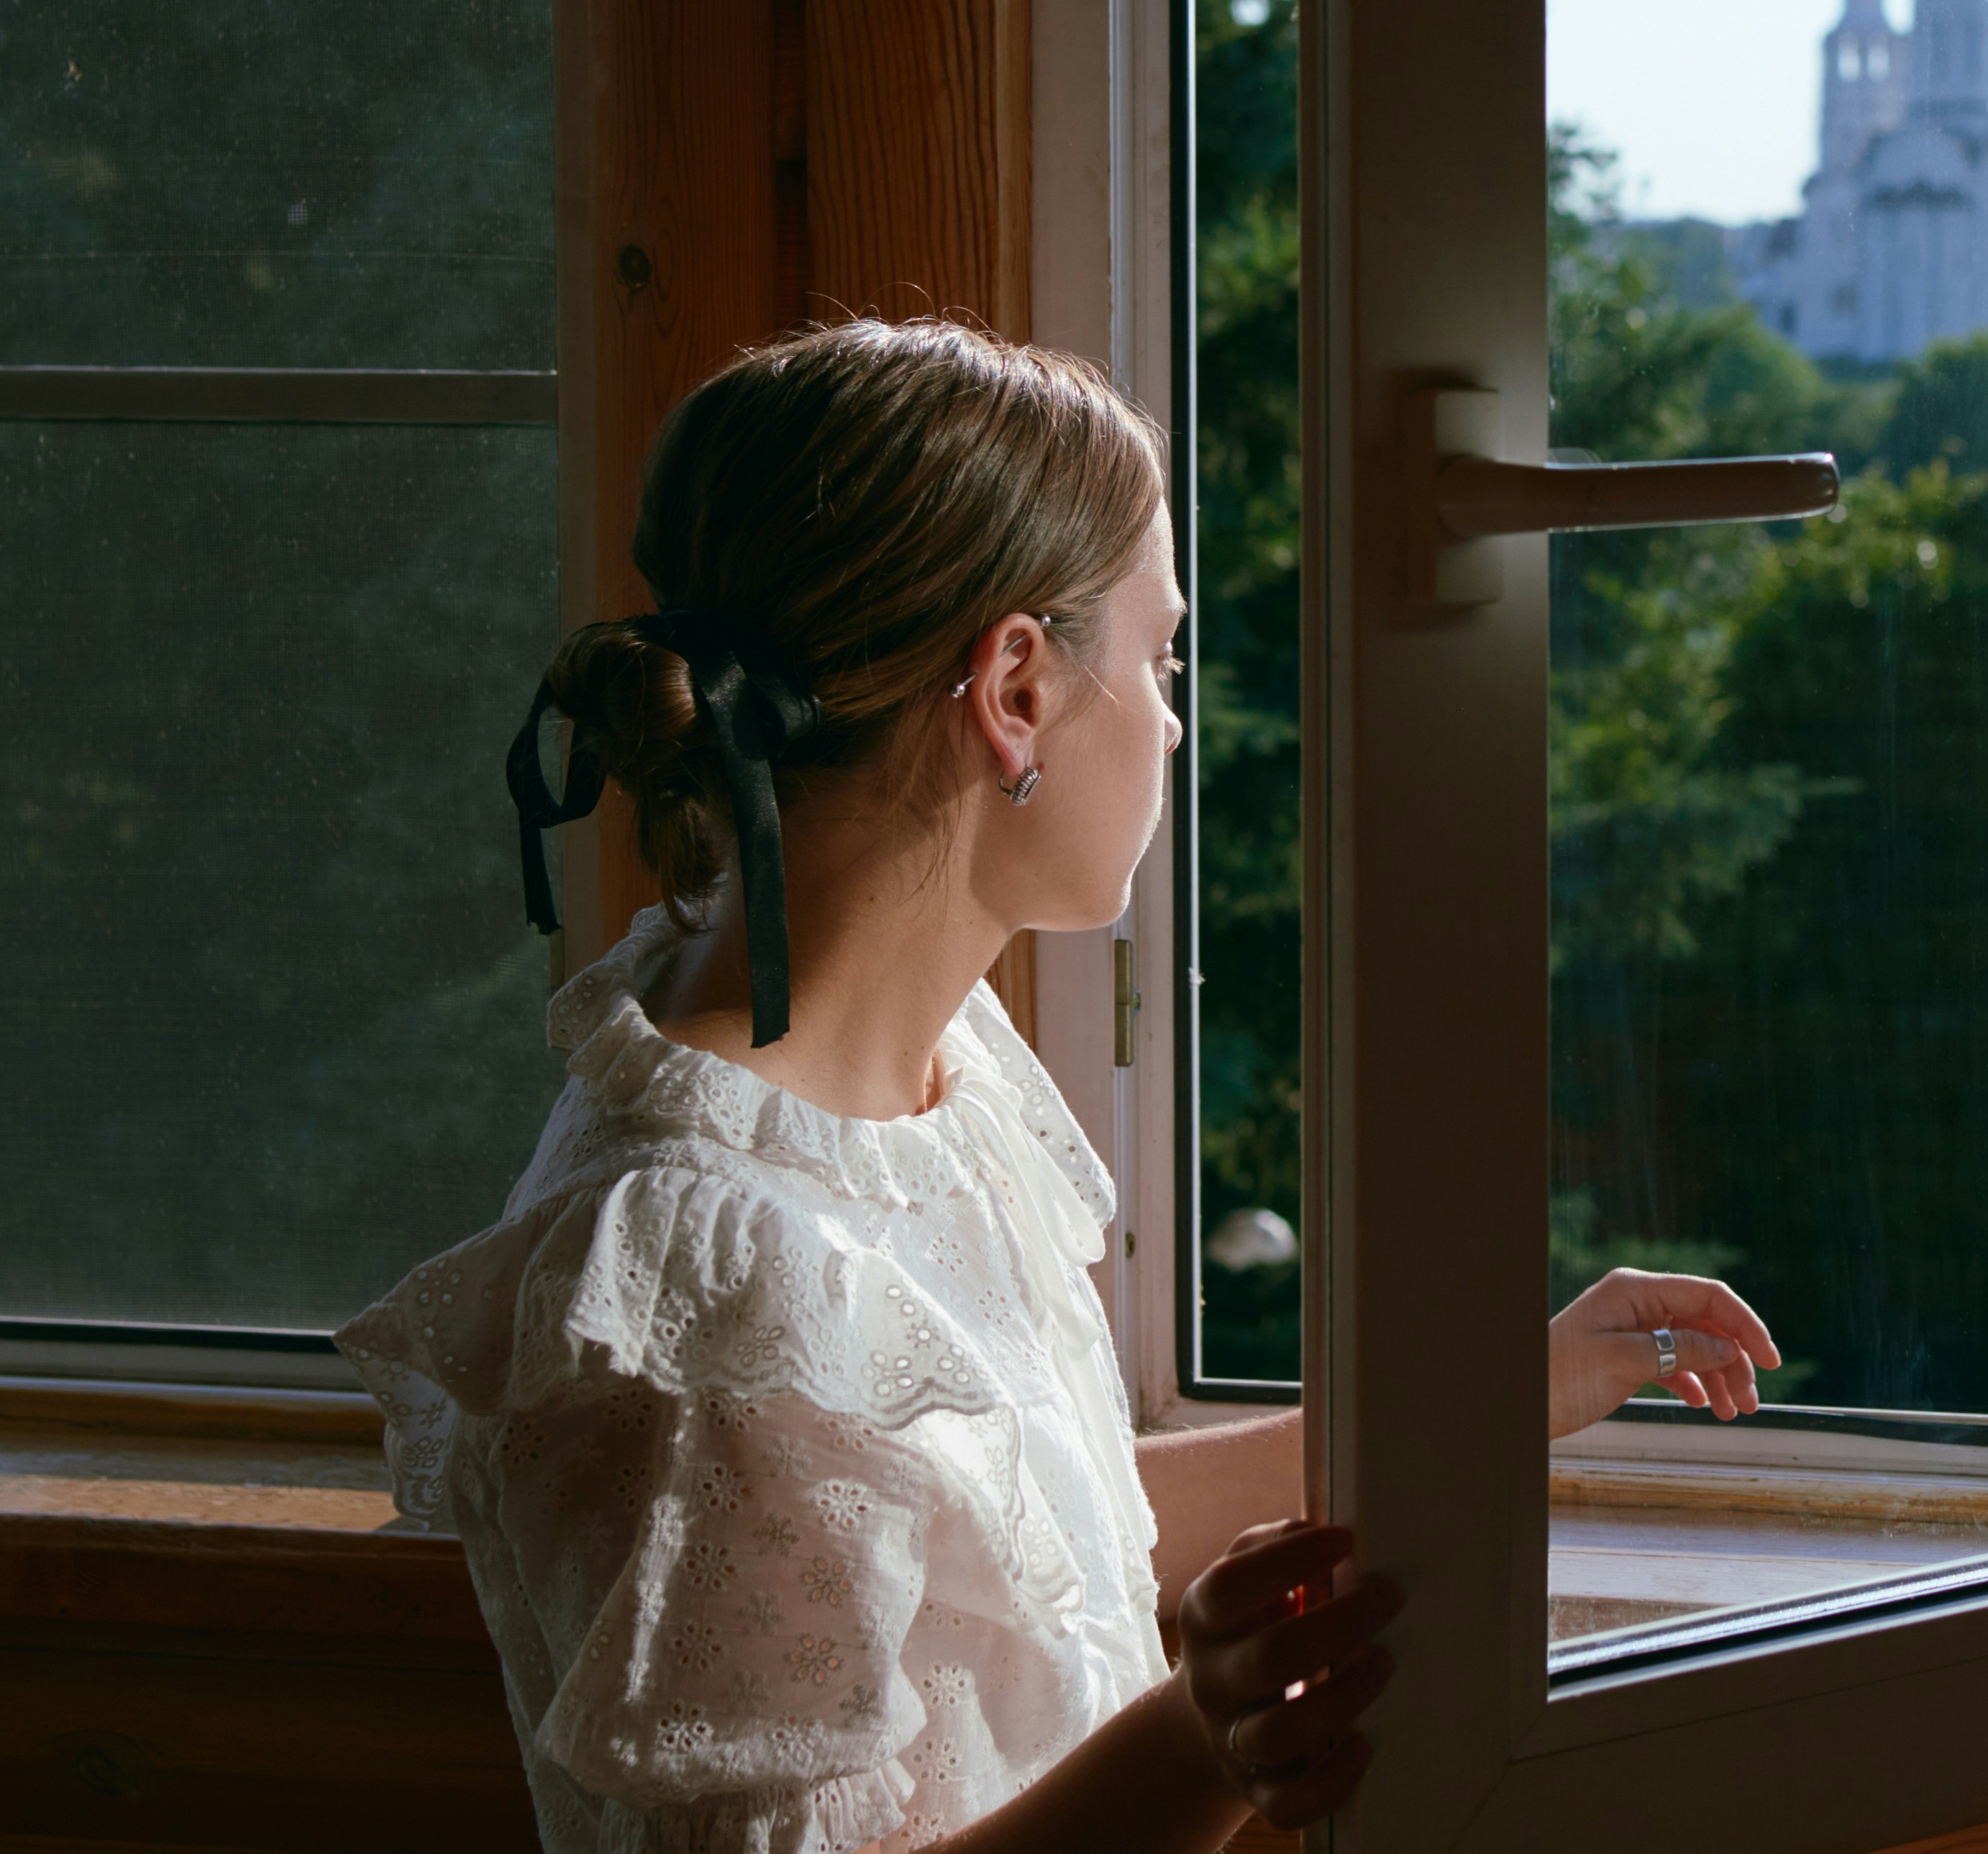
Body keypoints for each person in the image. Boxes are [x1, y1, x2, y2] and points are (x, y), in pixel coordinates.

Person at [336, 320, 1784, 1852]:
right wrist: (1201, 1745)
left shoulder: (920, 1076)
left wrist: (1479, 1412)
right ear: (1015, 689)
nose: (1170, 718)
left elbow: (1042, 1526)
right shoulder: (706, 1271)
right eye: (1158, 656)